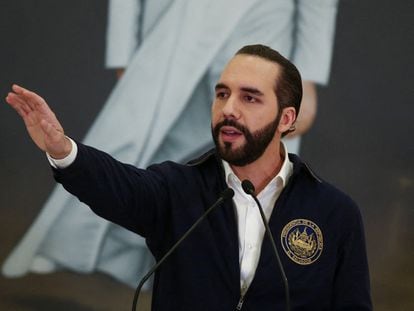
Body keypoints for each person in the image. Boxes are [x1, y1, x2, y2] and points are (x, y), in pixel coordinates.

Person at [2, 0, 340, 288]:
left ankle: (255, 275)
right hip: (172, 19)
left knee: (258, 158)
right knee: (140, 141)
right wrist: (123, 47)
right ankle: (74, 243)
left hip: (266, 18)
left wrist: (307, 75)